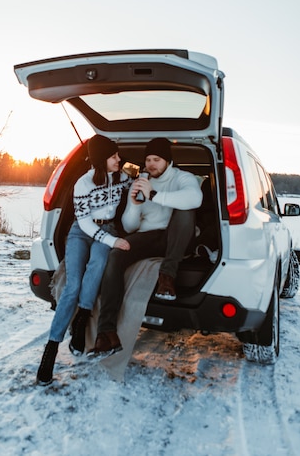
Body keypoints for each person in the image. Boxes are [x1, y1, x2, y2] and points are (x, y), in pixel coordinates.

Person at [87, 137, 203, 359]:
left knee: (186, 210)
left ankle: (167, 278)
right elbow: (131, 226)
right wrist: (134, 205)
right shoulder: (140, 182)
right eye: (148, 159)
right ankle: (107, 332)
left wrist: (155, 195)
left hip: (178, 238)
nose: (151, 164)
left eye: (156, 159)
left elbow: (194, 198)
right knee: (117, 254)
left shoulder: (182, 178)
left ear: (167, 161)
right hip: (150, 237)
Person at [36, 134, 132, 385]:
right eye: (113, 156)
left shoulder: (122, 178)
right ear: (102, 159)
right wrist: (113, 242)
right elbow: (86, 222)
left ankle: (82, 319)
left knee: (98, 265)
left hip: (108, 229)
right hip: (82, 231)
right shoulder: (83, 184)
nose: (119, 159)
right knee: (72, 286)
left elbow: (137, 188)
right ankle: (51, 349)